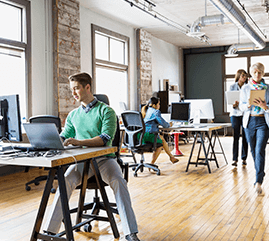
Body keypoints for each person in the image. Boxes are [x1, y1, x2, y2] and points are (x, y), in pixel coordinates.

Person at [44, 72, 140, 241]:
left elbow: (104, 140)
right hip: (82, 162)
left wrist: (78, 141)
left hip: (105, 160)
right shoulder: (73, 115)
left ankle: (130, 233)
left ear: (87, 87)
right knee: (65, 181)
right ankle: (50, 232)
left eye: (76, 89)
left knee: (118, 181)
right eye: (72, 89)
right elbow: (65, 136)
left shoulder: (107, 111)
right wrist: (51, 140)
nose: (73, 93)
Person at [240, 63, 269, 194]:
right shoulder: (245, 88)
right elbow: (241, 107)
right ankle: (259, 172)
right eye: (255, 72)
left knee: (260, 149)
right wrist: (248, 104)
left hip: (263, 121)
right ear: (251, 73)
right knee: (253, 151)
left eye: (260, 72)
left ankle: (258, 181)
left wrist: (265, 106)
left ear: (263, 73)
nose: (257, 74)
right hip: (249, 122)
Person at [141, 97, 179, 165]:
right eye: (158, 104)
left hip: (142, 135)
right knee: (160, 144)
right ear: (154, 105)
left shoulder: (147, 110)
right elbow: (165, 125)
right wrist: (169, 124)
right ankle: (152, 163)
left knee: (161, 139)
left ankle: (171, 157)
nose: (159, 106)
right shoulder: (155, 112)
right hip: (149, 135)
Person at [228, 69, 249, 167]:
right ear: (238, 76)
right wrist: (233, 104)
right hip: (235, 113)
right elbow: (229, 100)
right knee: (235, 136)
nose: (244, 78)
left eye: (245, 76)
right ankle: (234, 159)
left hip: (245, 113)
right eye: (242, 76)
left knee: (245, 136)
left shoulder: (248, 87)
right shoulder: (232, 86)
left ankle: (244, 158)